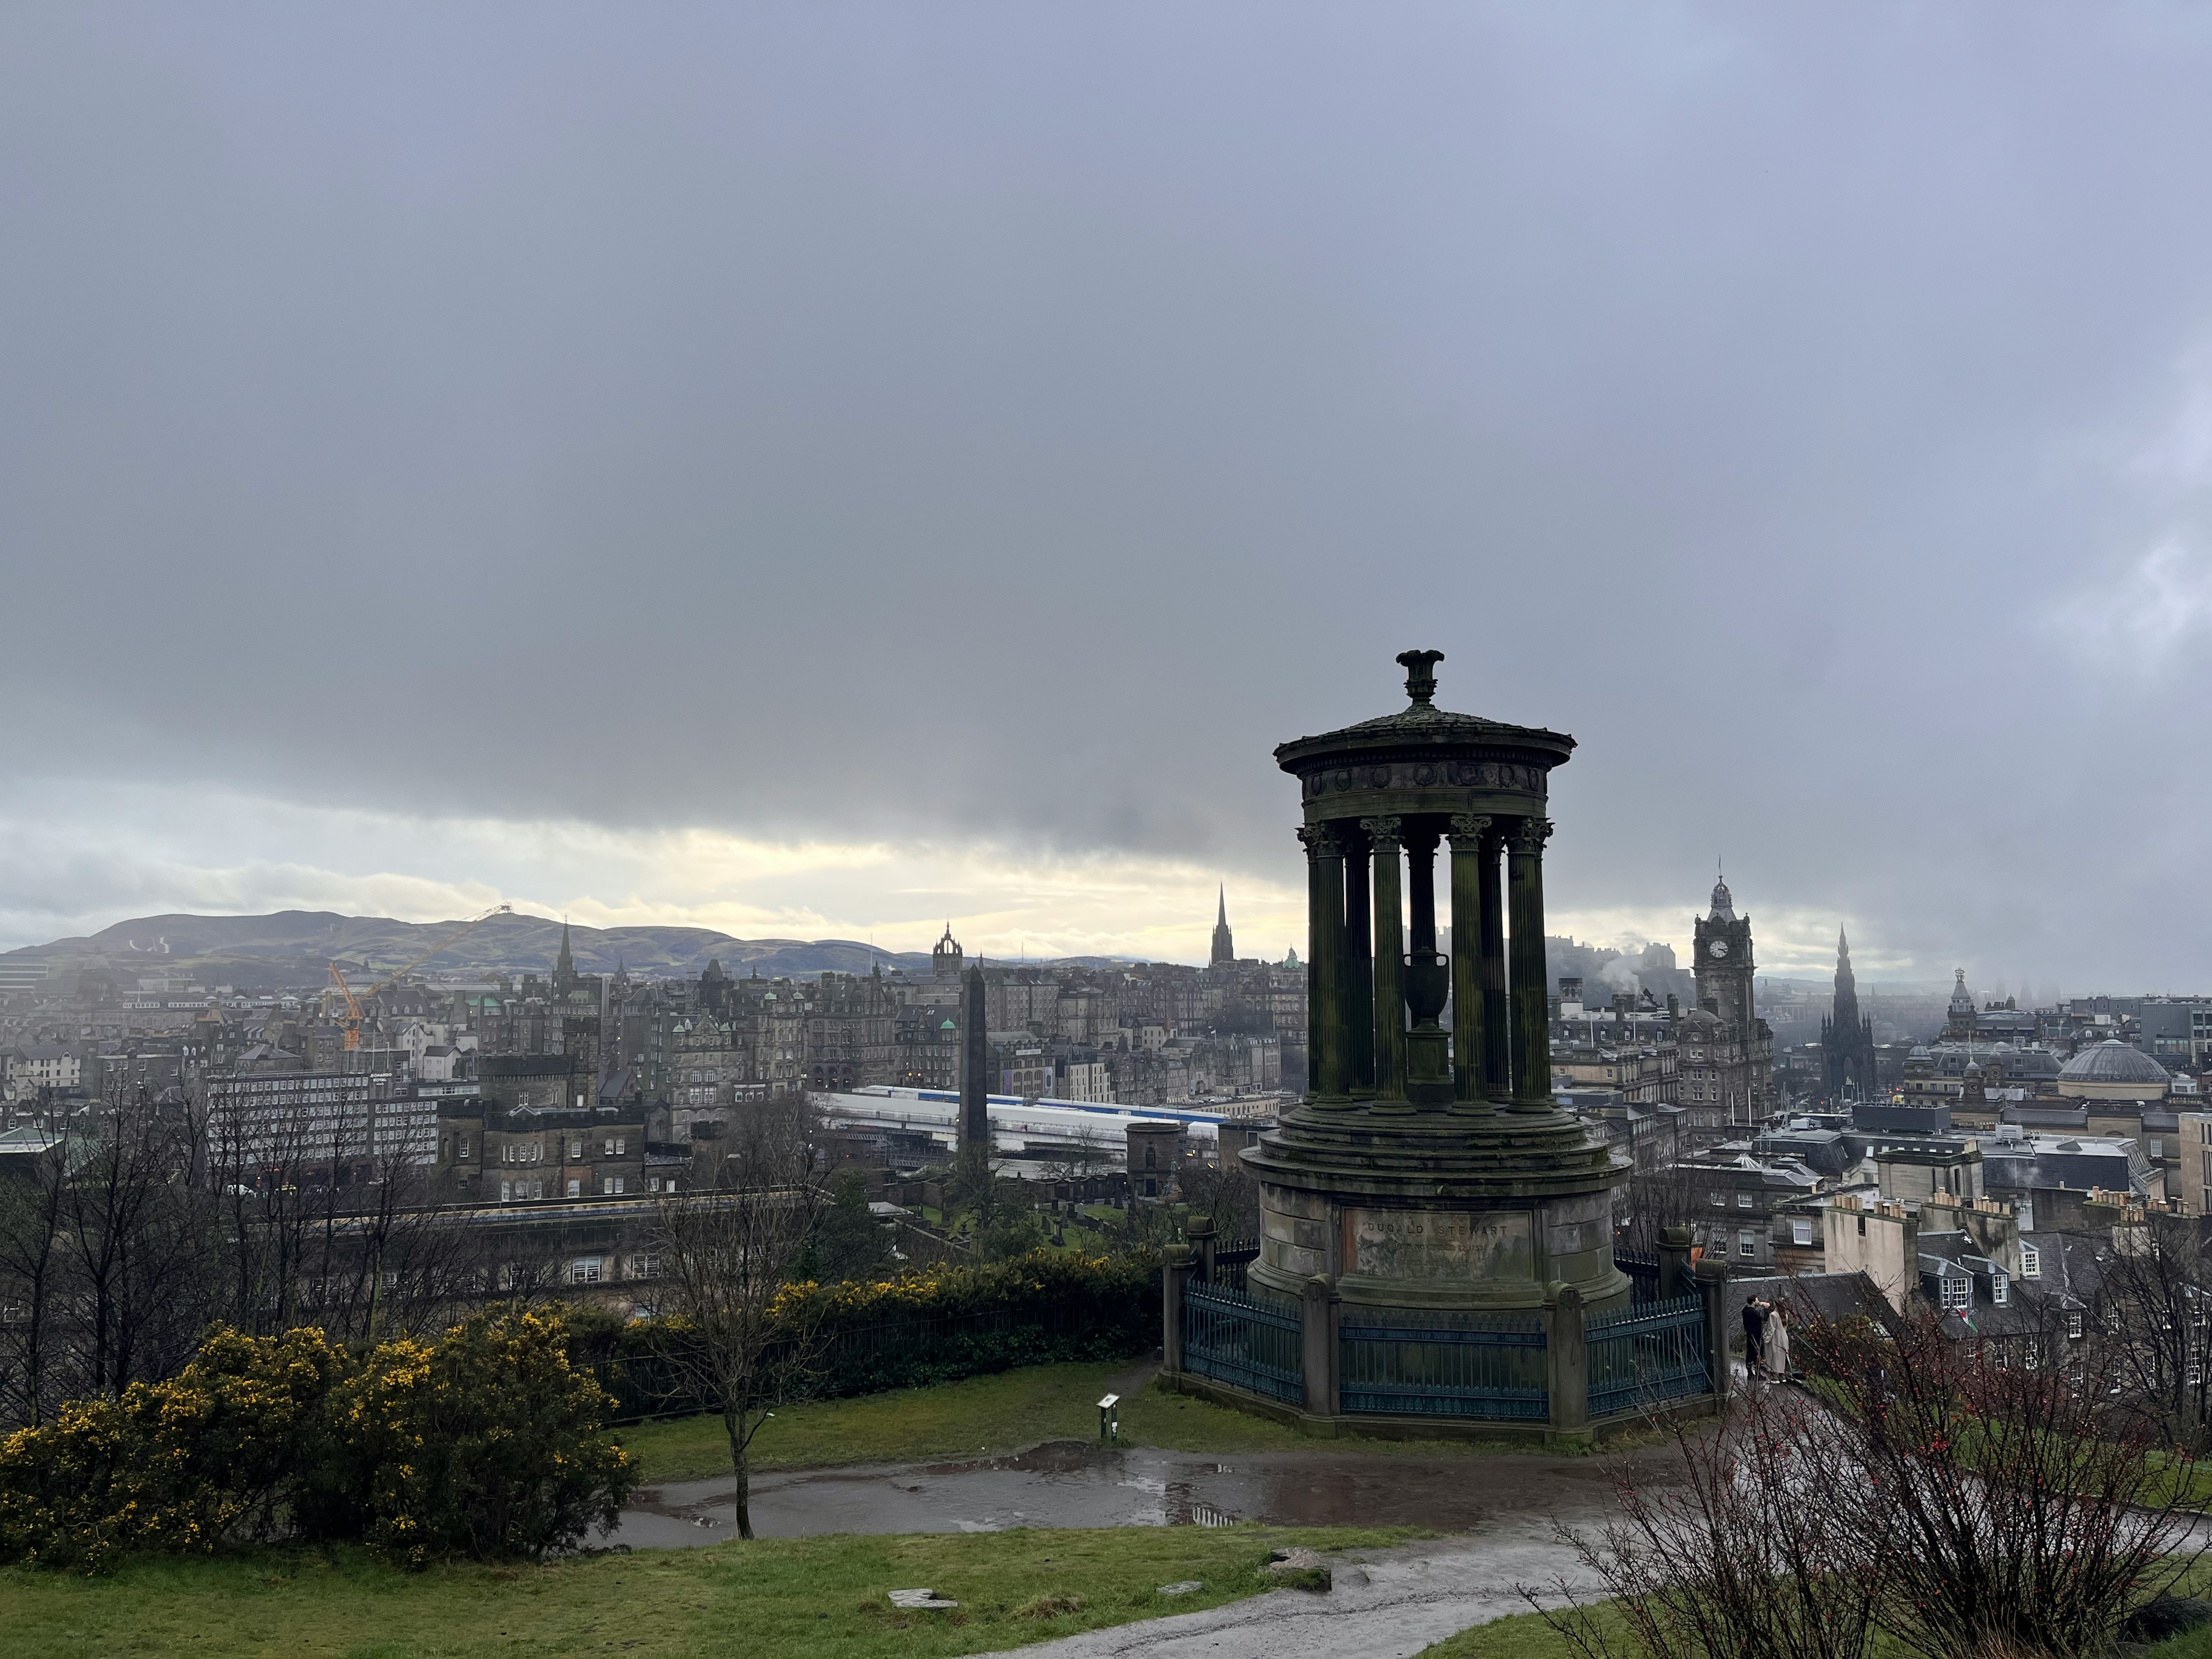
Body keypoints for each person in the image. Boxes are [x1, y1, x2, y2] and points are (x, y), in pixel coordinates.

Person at [1741, 1296, 1768, 1380]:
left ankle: (1750, 1372)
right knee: (1758, 1353)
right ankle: (1757, 1373)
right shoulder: (1753, 1313)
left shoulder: (1745, 1311)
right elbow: (1764, 1319)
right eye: (1757, 1300)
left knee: (1750, 1353)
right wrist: (1766, 1309)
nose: (1758, 1301)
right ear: (1753, 1302)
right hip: (1756, 1336)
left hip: (1750, 1335)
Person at [1763, 1300, 1791, 1381]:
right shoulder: (1785, 1315)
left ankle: (1775, 1376)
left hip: (1776, 1337)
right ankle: (1782, 1375)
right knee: (1782, 1356)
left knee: (1774, 1356)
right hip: (1784, 1337)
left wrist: (1767, 1339)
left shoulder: (1773, 1315)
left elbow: (1771, 1328)